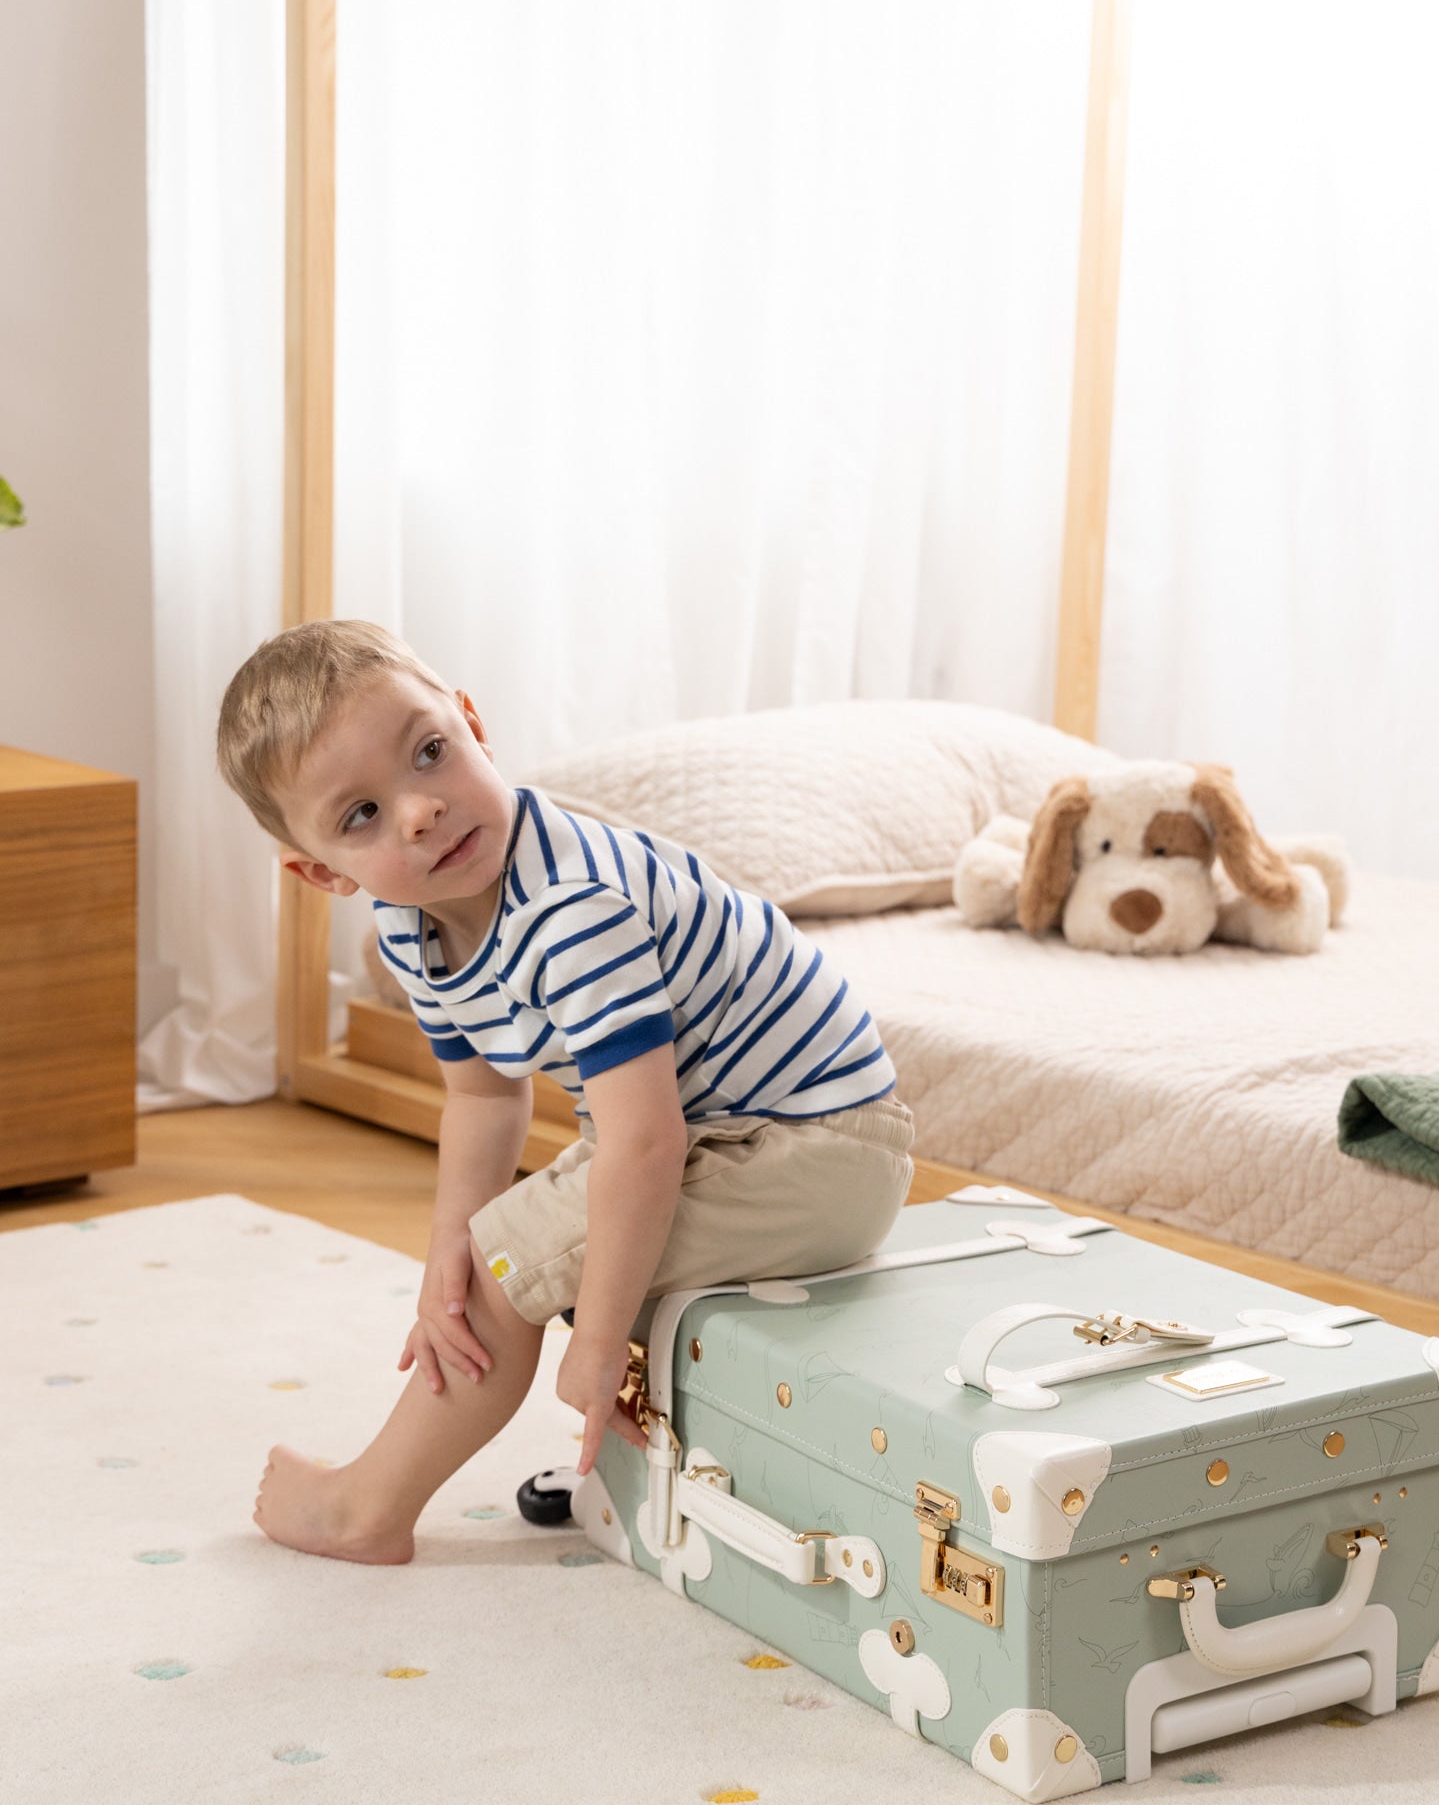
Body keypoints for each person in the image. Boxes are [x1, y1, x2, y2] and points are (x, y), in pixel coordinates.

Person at [216, 619, 915, 1564]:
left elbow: (643, 1147)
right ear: (322, 874)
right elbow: (483, 1099)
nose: (419, 810)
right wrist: (442, 1262)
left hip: (817, 1149)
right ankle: (645, 1464)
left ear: (472, 724)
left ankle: (368, 1510)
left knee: (516, 1262)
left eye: (430, 754)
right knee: (496, 1255)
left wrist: (588, 1345)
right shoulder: (407, 925)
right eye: (361, 816)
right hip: (718, 1133)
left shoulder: (571, 909)